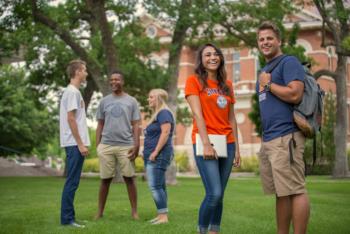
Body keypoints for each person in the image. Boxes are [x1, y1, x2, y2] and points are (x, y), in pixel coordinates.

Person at [256, 21, 309, 234]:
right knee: (281, 192)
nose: (265, 42)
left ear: (279, 40)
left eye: (269, 38)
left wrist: (268, 84)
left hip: (287, 136)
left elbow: (296, 93)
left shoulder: (289, 62)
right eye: (261, 39)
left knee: (296, 189)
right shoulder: (264, 70)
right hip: (270, 139)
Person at [185, 43, 241, 234]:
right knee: (214, 193)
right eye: (207, 54)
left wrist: (238, 149)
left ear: (221, 58)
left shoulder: (228, 86)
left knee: (220, 194)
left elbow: (232, 118)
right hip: (205, 142)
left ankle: (214, 231)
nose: (213, 57)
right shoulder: (194, 81)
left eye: (216, 54)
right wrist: (207, 144)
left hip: (228, 142)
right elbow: (197, 115)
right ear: (201, 59)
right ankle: (202, 230)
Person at [95, 70, 141, 220]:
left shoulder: (131, 101)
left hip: (126, 145)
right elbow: (100, 124)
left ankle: (134, 212)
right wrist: (98, 145)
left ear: (123, 82)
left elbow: (136, 125)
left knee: (129, 178)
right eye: (111, 79)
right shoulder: (104, 101)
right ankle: (99, 212)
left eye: (117, 80)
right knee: (105, 180)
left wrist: (136, 144)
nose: (114, 82)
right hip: (106, 145)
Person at [59, 59, 90, 228]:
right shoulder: (72, 92)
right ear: (77, 72)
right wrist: (80, 144)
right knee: (72, 182)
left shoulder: (74, 92)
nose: (86, 73)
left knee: (73, 182)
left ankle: (70, 217)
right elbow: (71, 119)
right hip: (73, 144)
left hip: (74, 143)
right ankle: (67, 219)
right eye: (84, 70)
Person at [143, 89, 175, 225]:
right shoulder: (158, 114)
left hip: (159, 155)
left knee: (155, 186)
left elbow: (165, 132)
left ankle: (163, 217)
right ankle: (161, 214)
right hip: (153, 154)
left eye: (151, 97)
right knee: (160, 186)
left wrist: (155, 152)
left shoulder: (164, 113)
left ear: (158, 99)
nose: (148, 100)